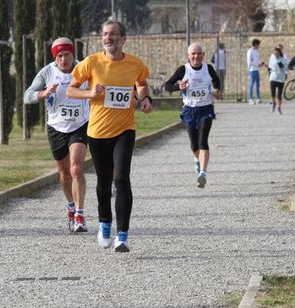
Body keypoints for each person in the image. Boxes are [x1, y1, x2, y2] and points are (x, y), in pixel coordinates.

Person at [67, 20, 152, 253]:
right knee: (103, 182)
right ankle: (105, 223)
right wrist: (89, 93)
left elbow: (142, 85)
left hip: (125, 129)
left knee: (122, 178)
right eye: (105, 34)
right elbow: (70, 89)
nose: (108, 38)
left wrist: (143, 99)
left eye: (113, 34)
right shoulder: (92, 62)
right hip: (97, 132)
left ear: (123, 38)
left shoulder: (135, 64)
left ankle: (122, 235)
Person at [24, 37, 90, 233]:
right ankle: (70, 206)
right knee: (64, 175)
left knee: (77, 168)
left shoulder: (84, 68)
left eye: (67, 55)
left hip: (79, 125)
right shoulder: (47, 72)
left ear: (73, 54)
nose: (63, 60)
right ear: (55, 57)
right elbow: (27, 96)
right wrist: (43, 94)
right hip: (56, 127)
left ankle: (80, 215)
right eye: (59, 56)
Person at [164, 42, 222, 189]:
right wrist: (179, 86)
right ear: (188, 56)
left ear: (203, 55)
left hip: (206, 109)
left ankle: (203, 173)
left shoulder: (208, 68)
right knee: (194, 144)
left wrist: (217, 90)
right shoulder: (183, 69)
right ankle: (197, 159)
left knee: (203, 141)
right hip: (189, 110)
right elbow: (167, 85)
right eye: (193, 54)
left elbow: (216, 80)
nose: (196, 56)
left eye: (199, 53)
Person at [268, 47, 287, 115]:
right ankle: (274, 103)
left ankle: (279, 108)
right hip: (273, 77)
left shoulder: (283, 59)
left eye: (277, 53)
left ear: (279, 53)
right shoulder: (272, 58)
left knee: (279, 94)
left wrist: (279, 63)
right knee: (273, 93)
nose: (275, 54)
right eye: (274, 53)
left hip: (281, 78)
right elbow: (270, 67)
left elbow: (285, 69)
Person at [246, 38, 264, 104]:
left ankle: (258, 98)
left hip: (257, 70)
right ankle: (250, 98)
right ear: (255, 45)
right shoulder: (250, 51)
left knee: (257, 85)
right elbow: (249, 62)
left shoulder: (256, 51)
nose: (259, 46)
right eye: (258, 45)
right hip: (252, 70)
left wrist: (261, 63)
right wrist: (257, 65)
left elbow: (257, 60)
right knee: (251, 84)